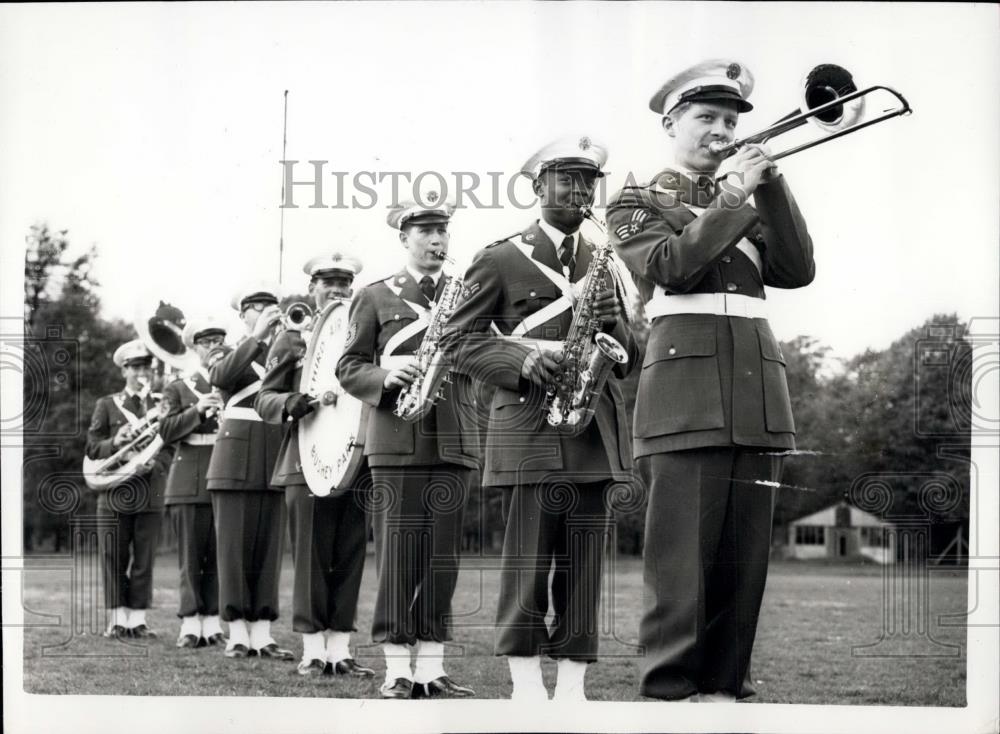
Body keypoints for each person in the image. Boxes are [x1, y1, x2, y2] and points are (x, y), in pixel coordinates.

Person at [605, 59, 816, 702]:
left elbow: (798, 269)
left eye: (730, 119)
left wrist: (770, 186)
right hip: (684, 398)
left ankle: (726, 692)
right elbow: (673, 267)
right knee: (682, 568)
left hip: (756, 393)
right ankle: (668, 695)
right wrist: (731, 197)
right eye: (707, 117)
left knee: (743, 563)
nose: (721, 129)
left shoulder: (747, 198)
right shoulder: (636, 200)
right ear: (673, 124)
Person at [439, 136, 637, 701]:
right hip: (527, 426)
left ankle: (573, 685)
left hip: (593, 432)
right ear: (537, 188)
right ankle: (525, 683)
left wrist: (615, 325)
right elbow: (456, 344)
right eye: (566, 180)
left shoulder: (607, 263)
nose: (579, 191)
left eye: (588, 182)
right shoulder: (500, 258)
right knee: (526, 566)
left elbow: (629, 356)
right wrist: (524, 358)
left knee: (585, 569)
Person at [336, 200, 480, 699]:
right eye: (426, 232)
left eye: (442, 231)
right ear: (404, 238)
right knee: (398, 555)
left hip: (455, 435)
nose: (437, 240)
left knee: (443, 559)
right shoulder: (375, 296)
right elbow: (348, 366)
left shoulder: (470, 293)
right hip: (395, 438)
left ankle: (431, 667)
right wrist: (384, 375)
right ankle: (398, 667)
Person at [255, 252, 375, 679]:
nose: (338, 290)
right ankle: (312, 650)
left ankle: (340, 650)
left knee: (348, 555)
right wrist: (293, 402)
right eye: (328, 282)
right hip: (304, 460)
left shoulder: (365, 330)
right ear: (311, 288)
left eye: (345, 283)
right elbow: (263, 397)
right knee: (310, 557)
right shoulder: (292, 338)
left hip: (355, 458)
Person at [205, 283, 292, 661]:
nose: (267, 312)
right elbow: (220, 378)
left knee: (268, 550)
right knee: (234, 551)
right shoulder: (227, 350)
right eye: (257, 308)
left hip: (274, 454)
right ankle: (237, 633)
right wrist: (256, 338)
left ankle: (263, 632)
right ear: (243, 315)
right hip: (234, 459)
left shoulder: (287, 349)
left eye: (272, 307)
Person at [85, 339, 173, 639]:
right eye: (135, 367)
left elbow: (171, 447)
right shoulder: (107, 404)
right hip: (114, 494)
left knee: (144, 560)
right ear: (124, 371)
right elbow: (92, 448)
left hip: (150, 491)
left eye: (146, 367)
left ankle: (137, 620)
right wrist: (116, 442)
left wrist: (156, 464)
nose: (141, 372)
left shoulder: (163, 403)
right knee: (114, 558)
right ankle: (117, 620)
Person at [157, 318, 227, 648]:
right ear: (195, 348)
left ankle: (212, 621)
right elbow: (166, 431)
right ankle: (189, 623)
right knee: (190, 556)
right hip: (187, 478)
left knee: (217, 555)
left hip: (225, 473)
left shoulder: (234, 382)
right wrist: (198, 409)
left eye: (219, 340)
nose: (214, 346)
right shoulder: (178, 387)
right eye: (206, 341)